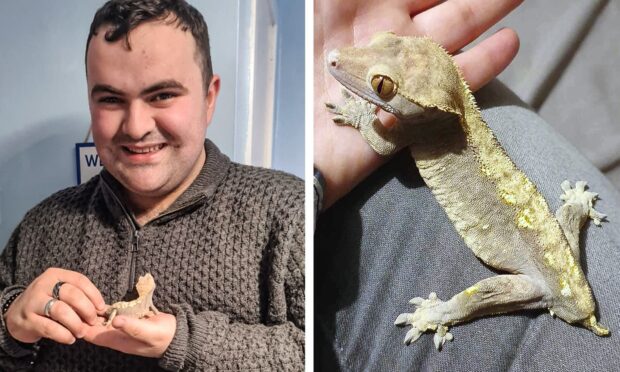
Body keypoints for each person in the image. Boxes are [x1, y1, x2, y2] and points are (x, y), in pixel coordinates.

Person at [314, 0, 620, 370]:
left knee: (534, 288)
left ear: (426, 108)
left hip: (541, 281)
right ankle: (576, 209)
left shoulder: (420, 124)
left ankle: (444, 313)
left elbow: (379, 142)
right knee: (565, 225)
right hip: (551, 249)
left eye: (381, 85)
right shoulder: (440, 107)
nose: (337, 59)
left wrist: (363, 117)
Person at [0, 0, 304, 370]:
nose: (135, 126)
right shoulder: (39, 226)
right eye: (111, 99)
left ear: (209, 98)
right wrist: (8, 325)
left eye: (162, 96)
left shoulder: (290, 212)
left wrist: (187, 343)